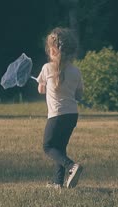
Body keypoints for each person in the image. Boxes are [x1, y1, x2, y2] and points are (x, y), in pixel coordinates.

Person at [37, 27, 84, 189]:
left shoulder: (46, 68)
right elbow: (79, 96)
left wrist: (42, 84)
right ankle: (58, 183)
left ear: (53, 51)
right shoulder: (76, 71)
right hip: (72, 116)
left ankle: (71, 166)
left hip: (56, 115)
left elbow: (41, 90)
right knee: (60, 147)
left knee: (48, 146)